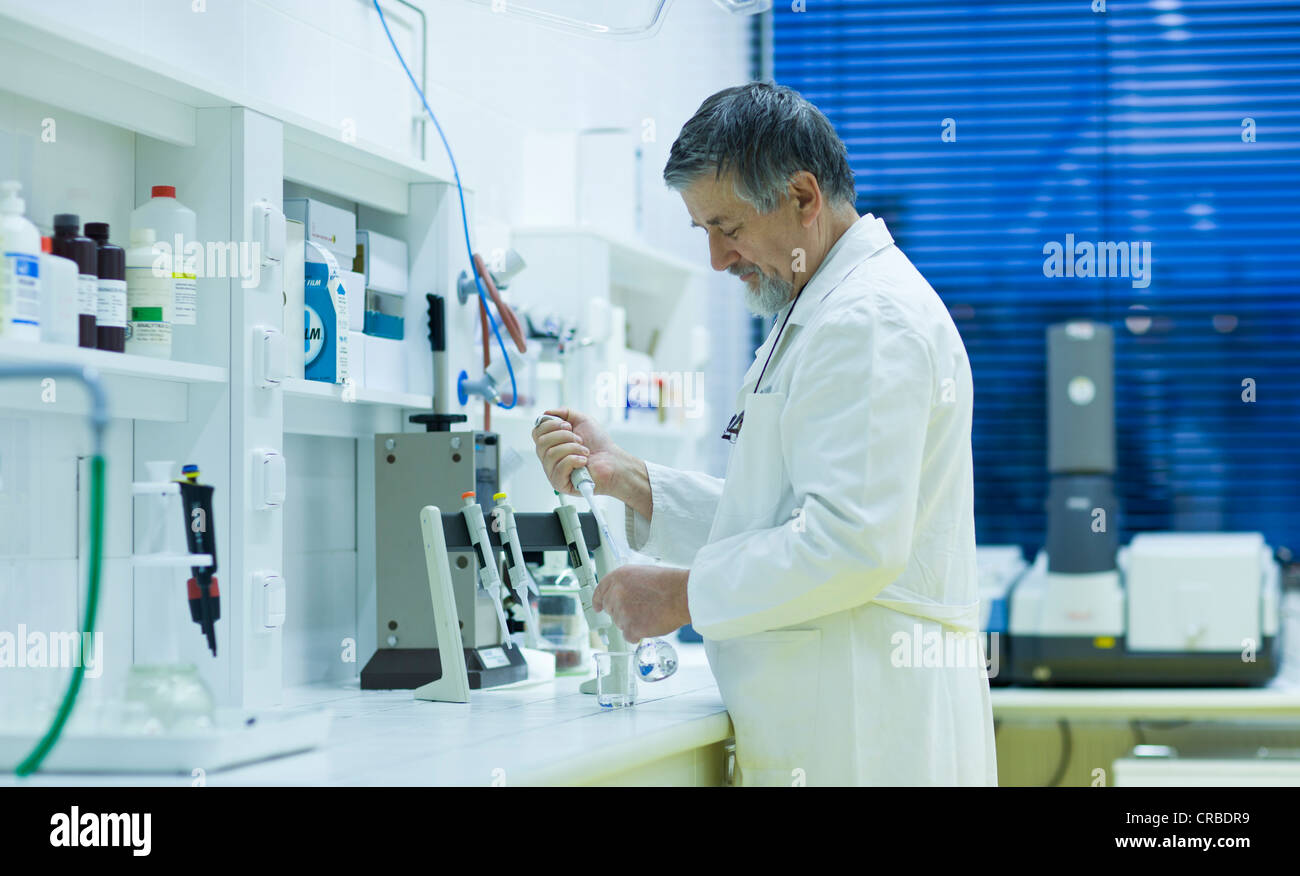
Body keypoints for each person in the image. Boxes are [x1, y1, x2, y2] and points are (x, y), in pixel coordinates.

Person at [531, 82, 996, 786]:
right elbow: (780, 520)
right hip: (834, 719)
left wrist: (682, 596)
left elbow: (850, 544)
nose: (718, 259)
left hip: (871, 730)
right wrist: (634, 480)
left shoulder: (867, 320)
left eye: (729, 226)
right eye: (706, 233)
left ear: (803, 198)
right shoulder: (817, 310)